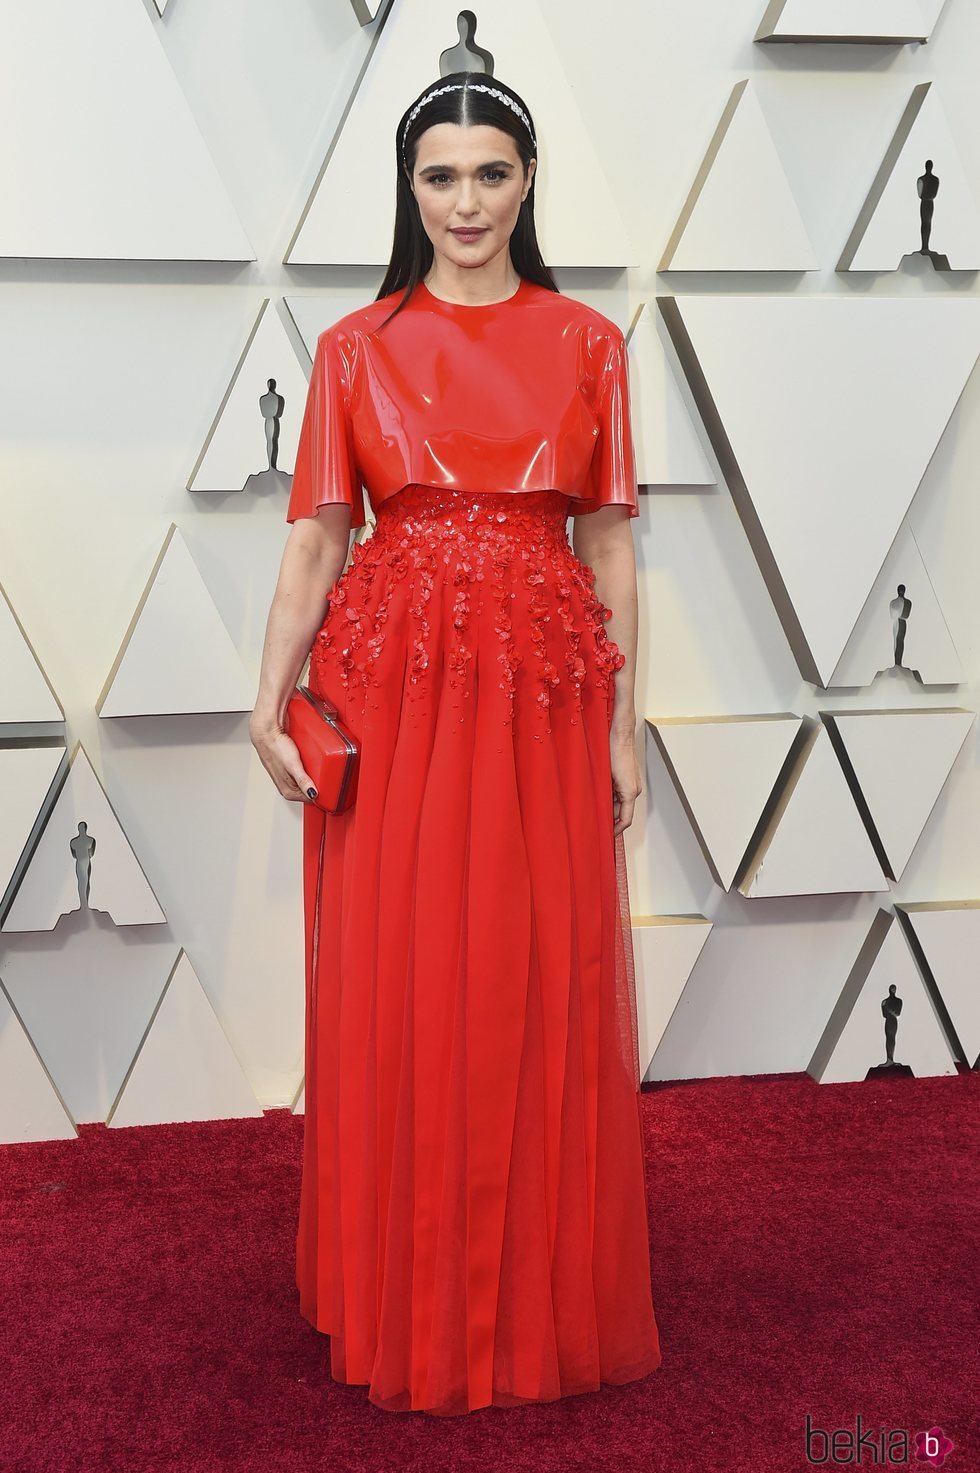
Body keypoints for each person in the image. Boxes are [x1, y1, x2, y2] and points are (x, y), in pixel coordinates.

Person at [249, 71, 662, 1417]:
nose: (467, 201)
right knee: (404, 976)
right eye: (441, 176)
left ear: (529, 180)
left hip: (540, 691)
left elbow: (609, 541)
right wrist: (268, 699)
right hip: (397, 697)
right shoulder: (354, 349)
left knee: (532, 981)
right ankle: (404, 1283)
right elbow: (317, 537)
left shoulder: (592, 341)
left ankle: (522, 1288)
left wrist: (624, 724)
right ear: (407, 187)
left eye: (491, 173)